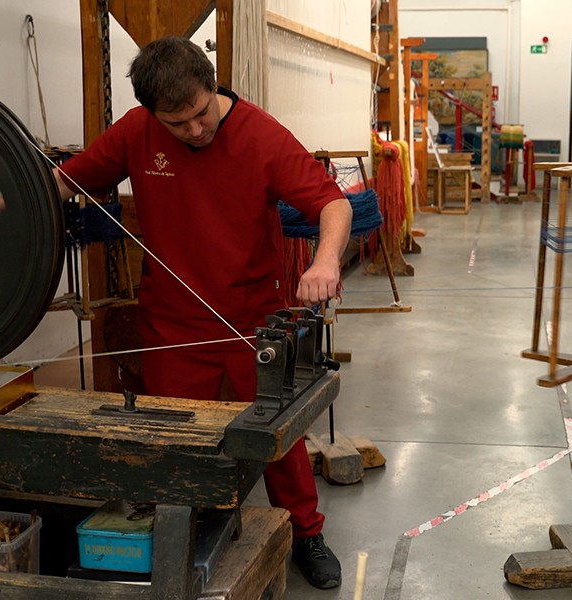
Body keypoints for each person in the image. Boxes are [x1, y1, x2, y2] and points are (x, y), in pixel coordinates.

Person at [54, 36, 352, 589]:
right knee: (175, 441)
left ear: (212, 86)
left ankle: (306, 534)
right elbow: (65, 180)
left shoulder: (261, 135)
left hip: (254, 320)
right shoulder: (135, 132)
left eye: (201, 113)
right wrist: (7, 204)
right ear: (152, 114)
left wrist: (326, 258)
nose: (195, 130)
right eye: (177, 123)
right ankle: (182, 533)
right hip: (173, 324)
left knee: (278, 437)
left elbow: (332, 203)